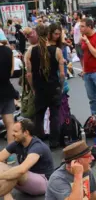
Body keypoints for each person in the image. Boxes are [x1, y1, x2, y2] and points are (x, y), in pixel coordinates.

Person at [25, 25, 64, 148]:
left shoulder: (30, 51)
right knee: (54, 115)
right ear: (48, 34)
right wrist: (60, 86)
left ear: (36, 34)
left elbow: (29, 74)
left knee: (39, 115)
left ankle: (39, 139)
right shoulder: (57, 51)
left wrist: (33, 88)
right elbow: (62, 73)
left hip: (39, 87)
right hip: (53, 86)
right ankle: (54, 141)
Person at [0, 119, 54, 199]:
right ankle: (7, 195)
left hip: (43, 183)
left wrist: (1, 176)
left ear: (26, 133)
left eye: (15, 131)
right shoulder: (17, 143)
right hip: (25, 181)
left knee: (18, 172)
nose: (12, 134)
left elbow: (22, 170)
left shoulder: (37, 146)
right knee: (5, 168)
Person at [0, 33, 16, 164]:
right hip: (7, 89)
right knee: (10, 123)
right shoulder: (8, 51)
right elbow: (11, 72)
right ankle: (9, 154)